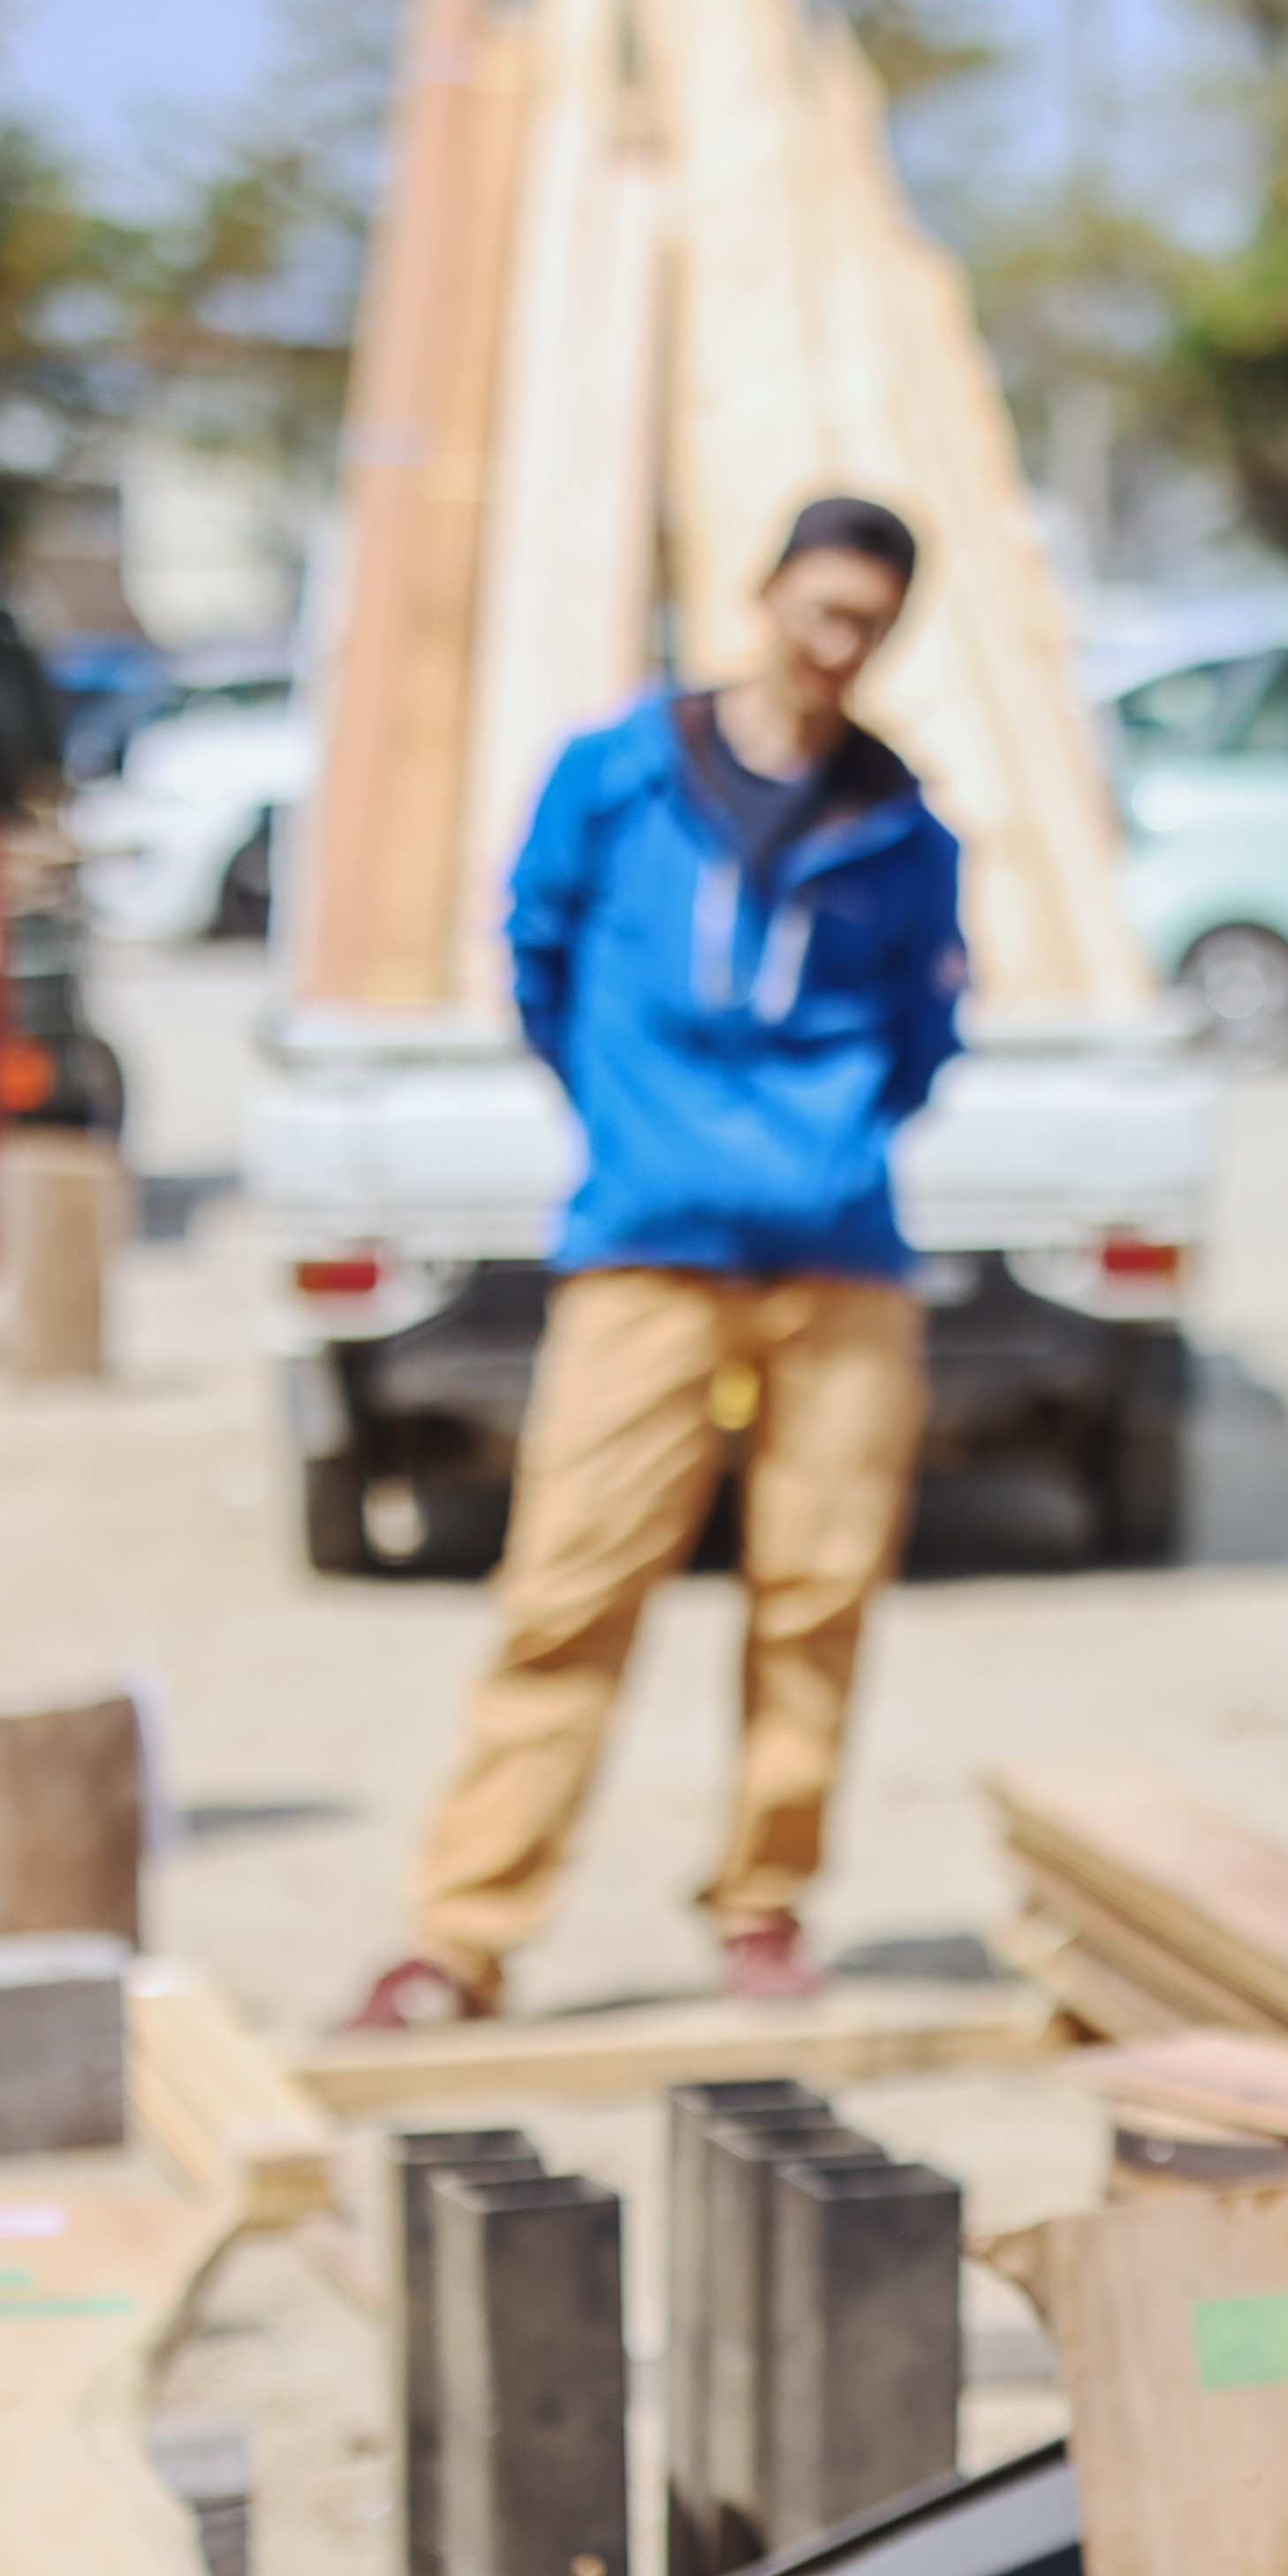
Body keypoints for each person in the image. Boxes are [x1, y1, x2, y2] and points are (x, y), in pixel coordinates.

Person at [345, 500, 970, 2027]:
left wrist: (823, 1149)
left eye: (868, 624)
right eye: (820, 610)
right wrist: (641, 1130)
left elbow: (923, 1033)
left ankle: (765, 1903)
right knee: (569, 1584)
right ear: (765, 595)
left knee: (817, 1595)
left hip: (838, 1255)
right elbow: (538, 954)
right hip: (644, 1244)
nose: (837, 647)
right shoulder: (617, 773)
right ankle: (463, 1934)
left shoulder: (905, 825)